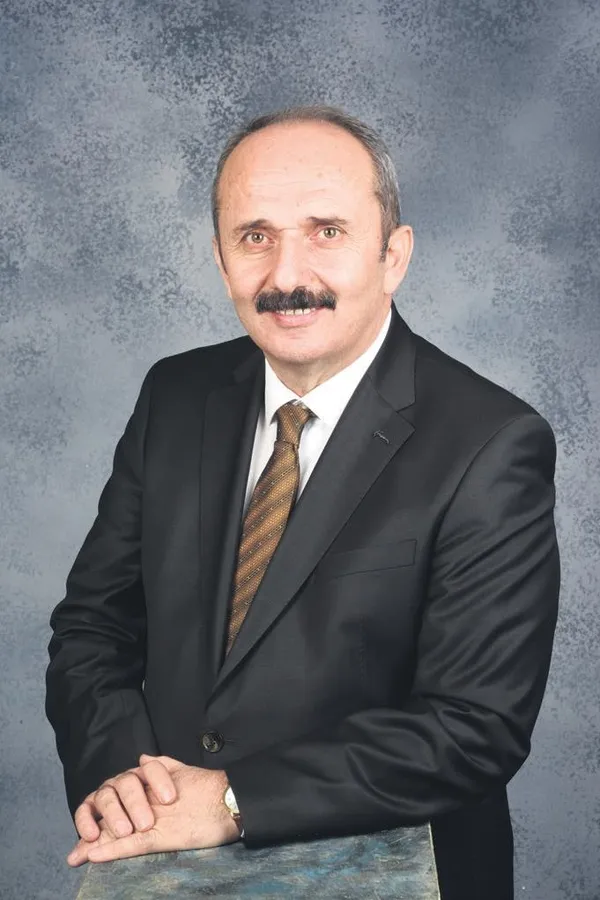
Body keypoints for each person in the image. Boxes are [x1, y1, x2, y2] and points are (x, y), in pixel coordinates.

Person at [45, 105, 560, 900]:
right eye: (255, 236)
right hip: (168, 861)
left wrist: (231, 800)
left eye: (327, 231)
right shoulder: (175, 395)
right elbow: (93, 629)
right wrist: (129, 788)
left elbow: (472, 727)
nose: (288, 276)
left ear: (393, 256)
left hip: (390, 872)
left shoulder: (492, 442)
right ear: (221, 259)